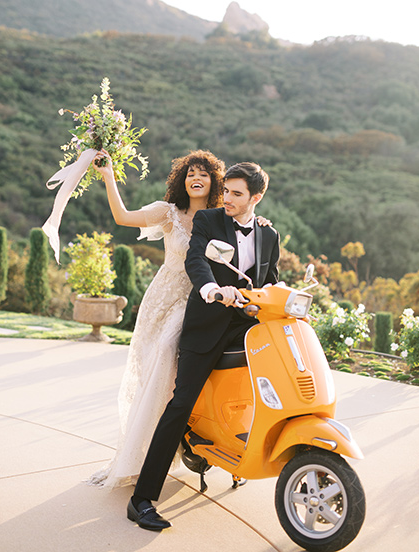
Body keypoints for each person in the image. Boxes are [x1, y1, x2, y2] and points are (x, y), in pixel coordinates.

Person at [87, 150, 272, 489]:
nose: (195, 177)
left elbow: (252, 256)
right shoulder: (169, 212)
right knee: (162, 367)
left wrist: (260, 223)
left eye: (203, 172)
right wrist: (109, 176)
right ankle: (142, 457)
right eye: (189, 173)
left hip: (210, 304)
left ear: (216, 181)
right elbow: (124, 217)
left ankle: (199, 438)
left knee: (195, 374)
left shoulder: (225, 217)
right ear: (181, 179)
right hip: (169, 297)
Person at [127, 162, 280, 531]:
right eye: (225, 190)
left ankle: (229, 449)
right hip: (206, 324)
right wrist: (211, 289)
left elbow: (270, 281)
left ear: (256, 198)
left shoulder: (268, 234)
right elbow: (197, 259)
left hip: (244, 327)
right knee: (180, 403)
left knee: (260, 386)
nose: (227, 198)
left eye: (236, 194)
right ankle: (142, 499)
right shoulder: (210, 221)